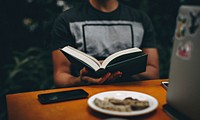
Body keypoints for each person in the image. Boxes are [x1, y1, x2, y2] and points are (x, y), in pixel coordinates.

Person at [51, 0, 159, 87]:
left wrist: (125, 71)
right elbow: (60, 75)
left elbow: (153, 71)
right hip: (86, 97)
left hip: (131, 95)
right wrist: (79, 81)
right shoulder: (66, 20)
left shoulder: (140, 19)